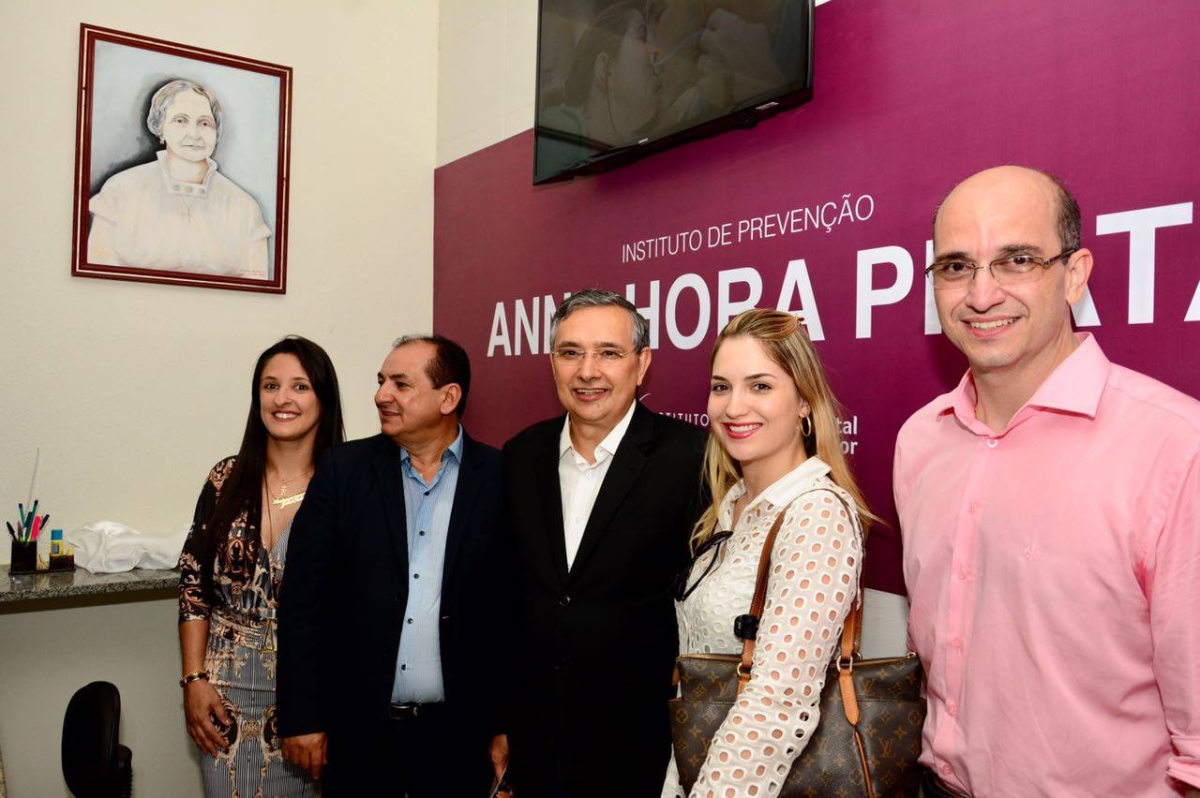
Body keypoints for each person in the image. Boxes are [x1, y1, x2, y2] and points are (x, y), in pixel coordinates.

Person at [895, 166, 1200, 797]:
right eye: (956, 266)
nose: (981, 295)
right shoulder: (920, 440)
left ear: (1076, 273)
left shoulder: (1175, 447)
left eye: (1016, 261)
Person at [498, 289, 708, 798]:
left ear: (642, 365)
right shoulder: (521, 454)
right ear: (552, 364)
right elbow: (505, 597)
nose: (587, 371)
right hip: (536, 745)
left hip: (642, 745)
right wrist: (502, 719)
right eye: (571, 353)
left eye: (608, 353)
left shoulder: (692, 459)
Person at [277, 334, 506, 797]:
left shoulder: (502, 478)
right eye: (382, 382)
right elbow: (302, 601)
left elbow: (512, 616)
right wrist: (302, 716)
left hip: (458, 738)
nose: (382, 395)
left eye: (401, 384)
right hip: (358, 732)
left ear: (449, 397)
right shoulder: (343, 471)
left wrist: (506, 726)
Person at [662, 308, 869, 798]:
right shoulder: (732, 507)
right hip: (694, 769)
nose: (734, 407)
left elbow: (777, 702)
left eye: (760, 386)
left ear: (804, 401)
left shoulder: (815, 514)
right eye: (721, 387)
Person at [178, 335, 345, 797]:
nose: (282, 399)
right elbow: (193, 588)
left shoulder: (347, 485)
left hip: (313, 696)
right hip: (224, 696)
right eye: (270, 385)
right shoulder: (225, 479)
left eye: (300, 386)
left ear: (323, 398)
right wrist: (194, 681)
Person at [88, 79, 272, 278]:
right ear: (160, 128)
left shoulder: (244, 208)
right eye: (180, 120)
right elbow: (97, 277)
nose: (194, 134)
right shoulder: (120, 191)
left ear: (216, 132)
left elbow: (255, 286)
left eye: (204, 123)